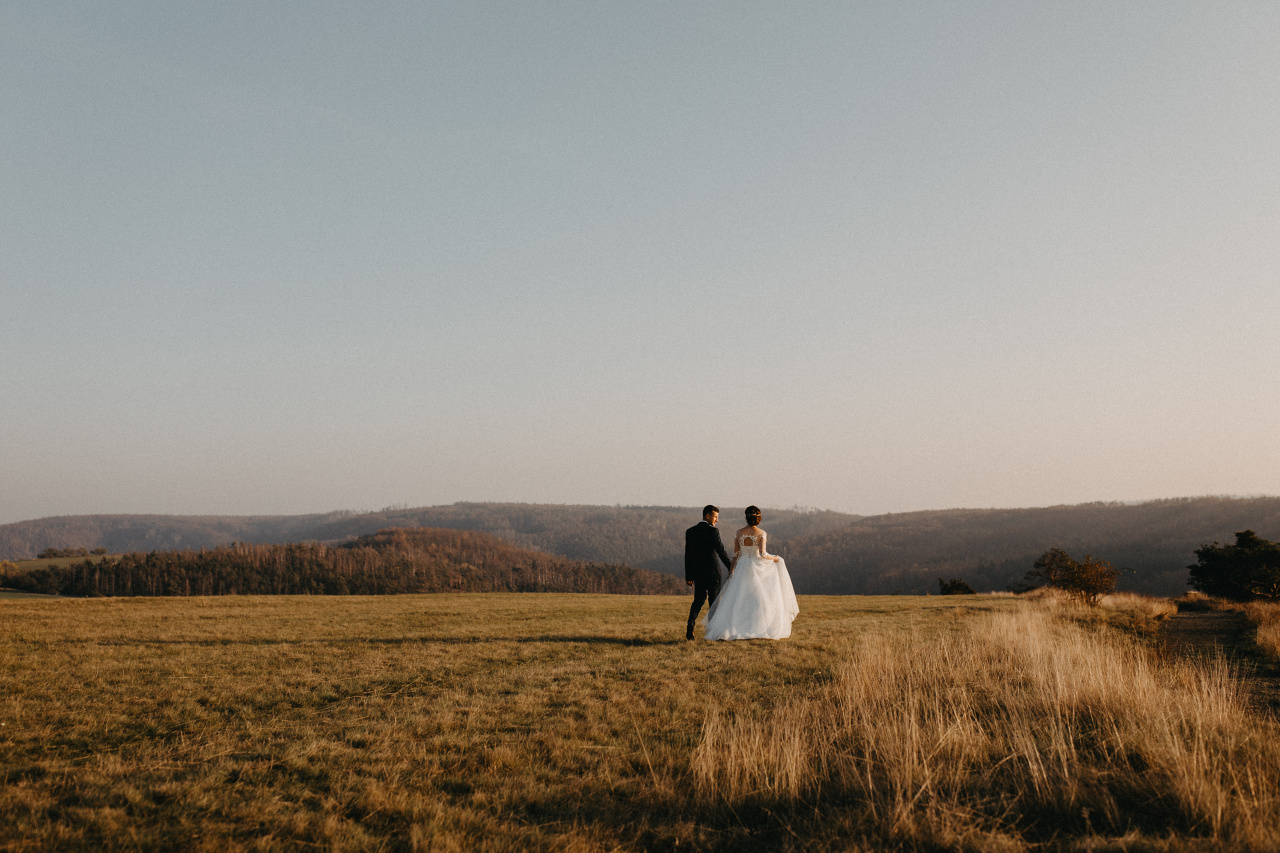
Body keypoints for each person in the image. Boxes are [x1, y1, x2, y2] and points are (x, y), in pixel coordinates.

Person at [704, 506, 799, 641]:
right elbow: (763, 554)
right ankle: (757, 626)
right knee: (758, 597)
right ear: (758, 518)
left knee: (739, 597)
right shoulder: (761, 533)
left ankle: (736, 625)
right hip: (756, 566)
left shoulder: (739, 533)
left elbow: (735, 554)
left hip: (742, 566)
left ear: (746, 518)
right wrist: (776, 558)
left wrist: (732, 571)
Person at [684, 504, 732, 640]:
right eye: (715, 517)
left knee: (698, 600)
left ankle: (690, 625)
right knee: (714, 602)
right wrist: (731, 568)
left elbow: (688, 556)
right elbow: (721, 552)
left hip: (698, 573)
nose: (716, 520)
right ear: (707, 516)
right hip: (712, 572)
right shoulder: (713, 532)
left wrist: (689, 576)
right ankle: (713, 632)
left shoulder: (690, 531)